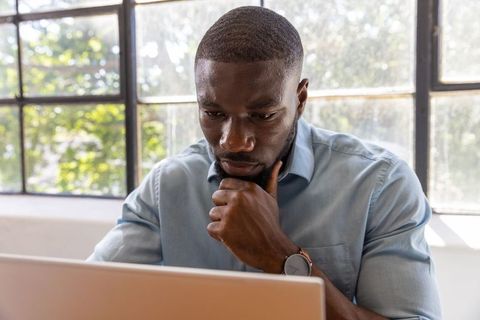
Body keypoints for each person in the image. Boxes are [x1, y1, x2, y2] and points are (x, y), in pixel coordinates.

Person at [88, 6, 441, 319]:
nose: (233, 141)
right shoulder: (167, 186)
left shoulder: (380, 185)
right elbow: (83, 297)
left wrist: (281, 257)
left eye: (262, 115)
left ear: (300, 98)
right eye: (213, 112)